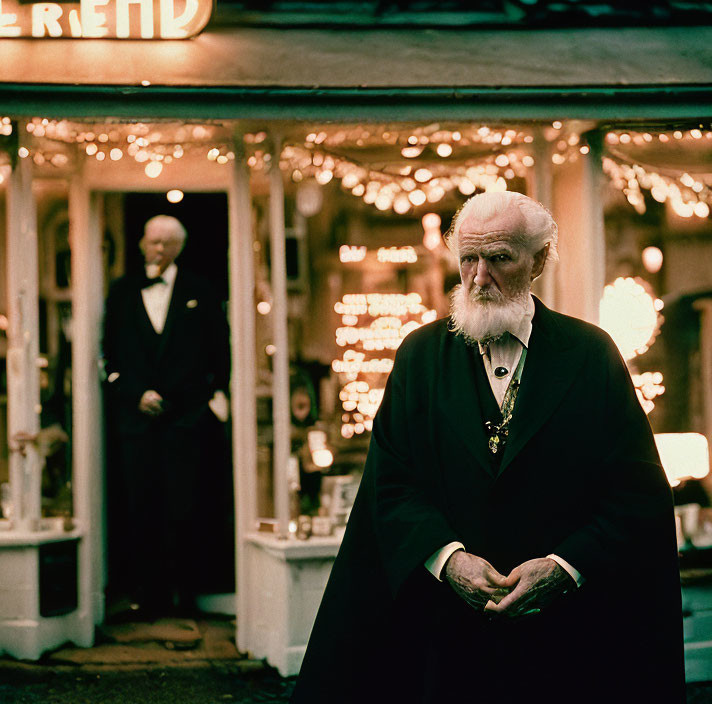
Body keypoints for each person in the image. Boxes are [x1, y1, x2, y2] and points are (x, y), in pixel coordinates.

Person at [290, 191, 684, 703]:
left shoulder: (591, 355)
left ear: (539, 260)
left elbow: (636, 495)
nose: (478, 277)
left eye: (498, 258)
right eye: (469, 259)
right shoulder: (420, 357)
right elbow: (391, 483)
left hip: (565, 641)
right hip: (444, 637)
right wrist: (448, 559)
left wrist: (564, 568)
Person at [102, 214, 230, 617]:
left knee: (187, 507)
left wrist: (209, 401)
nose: (159, 249)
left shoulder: (200, 291)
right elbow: (108, 354)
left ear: (180, 247)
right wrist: (132, 394)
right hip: (136, 423)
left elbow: (219, 352)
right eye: (153, 242)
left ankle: (187, 593)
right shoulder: (121, 292)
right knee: (141, 507)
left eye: (167, 243)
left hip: (187, 421)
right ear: (141, 244)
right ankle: (149, 594)